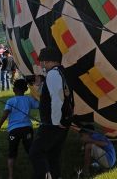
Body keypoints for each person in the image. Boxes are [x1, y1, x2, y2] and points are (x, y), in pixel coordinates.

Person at [29, 47, 74, 179]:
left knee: (36, 152)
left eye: (41, 61)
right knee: (53, 154)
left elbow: (57, 98)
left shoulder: (53, 74)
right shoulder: (63, 72)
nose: (41, 64)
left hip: (54, 123)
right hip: (63, 119)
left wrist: (56, 121)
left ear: (46, 61)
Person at [0, 79, 40, 179]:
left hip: (14, 131)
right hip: (27, 129)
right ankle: (37, 172)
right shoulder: (28, 99)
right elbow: (39, 105)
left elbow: (5, 114)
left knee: (12, 153)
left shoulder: (11, 101)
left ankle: (10, 176)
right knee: (31, 151)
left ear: (14, 89)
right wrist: (35, 95)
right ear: (25, 89)